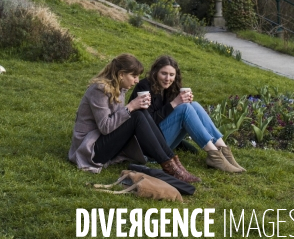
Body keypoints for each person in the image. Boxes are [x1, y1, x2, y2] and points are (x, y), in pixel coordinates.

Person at [68, 53, 201, 182]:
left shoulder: (119, 89)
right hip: (90, 150)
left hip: (102, 143)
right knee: (137, 115)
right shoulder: (99, 90)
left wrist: (133, 108)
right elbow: (105, 127)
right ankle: (170, 167)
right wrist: (130, 106)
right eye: (134, 76)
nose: (137, 80)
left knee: (141, 112)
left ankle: (172, 163)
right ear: (121, 75)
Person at [131, 55, 246, 173]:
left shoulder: (170, 88)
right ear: (155, 72)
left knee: (193, 105)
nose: (167, 78)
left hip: (162, 140)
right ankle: (214, 156)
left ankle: (223, 150)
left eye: (171, 75)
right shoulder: (144, 87)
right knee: (185, 108)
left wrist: (182, 101)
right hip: (148, 146)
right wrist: (175, 103)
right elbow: (146, 122)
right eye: (163, 73)